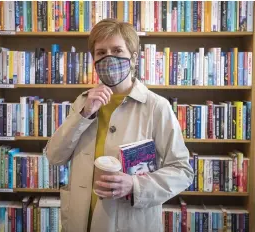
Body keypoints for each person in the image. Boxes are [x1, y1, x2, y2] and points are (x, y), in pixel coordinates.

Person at [46, 18, 194, 232]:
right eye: (101, 52)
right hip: (80, 221)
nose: (109, 58)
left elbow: (182, 170)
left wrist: (135, 186)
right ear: (93, 59)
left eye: (117, 50)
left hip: (129, 222)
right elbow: (54, 156)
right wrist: (84, 114)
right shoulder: (82, 102)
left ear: (133, 57)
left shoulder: (156, 106)